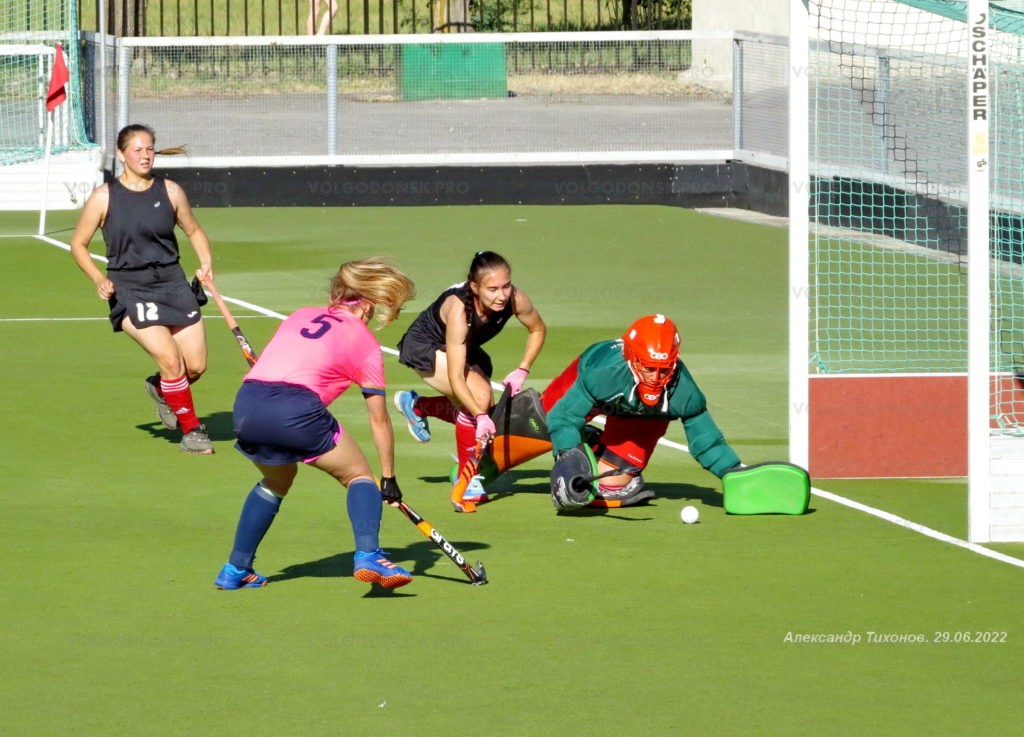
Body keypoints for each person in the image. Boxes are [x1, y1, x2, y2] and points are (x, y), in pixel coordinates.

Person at [214, 257, 417, 591]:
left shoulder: (300, 315)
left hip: (248, 404)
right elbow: (379, 420)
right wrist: (388, 478)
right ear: (367, 304)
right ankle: (369, 554)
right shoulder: (365, 343)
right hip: (294, 410)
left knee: (276, 480)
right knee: (358, 476)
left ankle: (236, 568)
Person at [69, 123, 215, 454]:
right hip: (130, 288)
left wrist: (206, 263)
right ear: (121, 155)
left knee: (195, 366)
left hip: (173, 283)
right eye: (137, 149)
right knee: (171, 360)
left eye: (149, 148)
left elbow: (193, 230)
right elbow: (78, 244)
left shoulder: (171, 192)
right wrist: (98, 278)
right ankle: (192, 431)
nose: (145, 155)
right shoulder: (104, 197)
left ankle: (162, 388)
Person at [393, 251, 546, 510]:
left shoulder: (515, 298)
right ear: (475, 288)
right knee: (479, 399)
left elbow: (538, 329)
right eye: (492, 289)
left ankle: (418, 406)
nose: (501, 295)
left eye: (506, 286)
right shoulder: (459, 311)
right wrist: (480, 416)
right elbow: (456, 377)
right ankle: (467, 478)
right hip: (425, 345)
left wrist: (523, 369)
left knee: (480, 406)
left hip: (464, 346)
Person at [542, 314, 741, 509]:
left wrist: (732, 473)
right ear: (632, 360)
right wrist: (567, 458)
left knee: (609, 486)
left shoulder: (684, 390)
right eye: (649, 368)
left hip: (643, 418)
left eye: (664, 370)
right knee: (542, 422)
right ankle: (582, 438)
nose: (656, 378)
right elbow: (563, 417)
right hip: (585, 380)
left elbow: (707, 442)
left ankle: (595, 445)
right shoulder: (601, 374)